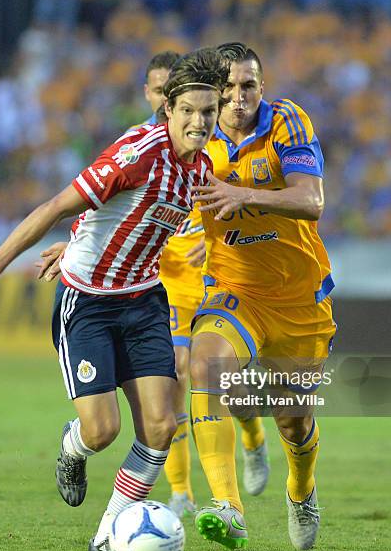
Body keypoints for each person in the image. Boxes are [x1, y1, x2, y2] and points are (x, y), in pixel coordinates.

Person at [0, 47, 229, 551]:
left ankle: (108, 535)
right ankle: (73, 446)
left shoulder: (203, 165)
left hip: (145, 298)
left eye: (208, 111)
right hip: (88, 302)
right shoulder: (137, 155)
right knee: (103, 431)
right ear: (168, 110)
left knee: (161, 426)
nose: (200, 121)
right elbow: (58, 206)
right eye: (189, 111)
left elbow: (134, 219)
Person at [38, 48, 270, 517]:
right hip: (152, 281)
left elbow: (229, 200)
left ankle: (252, 436)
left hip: (197, 282)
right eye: (170, 94)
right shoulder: (142, 144)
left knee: (212, 384)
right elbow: (107, 202)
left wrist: (222, 240)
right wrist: (75, 242)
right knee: (172, 389)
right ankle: (181, 493)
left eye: (207, 107)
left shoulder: (212, 141)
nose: (198, 115)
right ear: (157, 97)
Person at [189, 42, 336, 551]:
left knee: (294, 422)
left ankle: (301, 491)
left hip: (299, 299)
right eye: (226, 88)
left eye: (247, 85)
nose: (236, 97)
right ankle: (227, 507)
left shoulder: (287, 122)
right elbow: (140, 191)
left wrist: (242, 194)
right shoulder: (192, 133)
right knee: (204, 366)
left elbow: (311, 200)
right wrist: (77, 238)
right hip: (235, 289)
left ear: (262, 87)